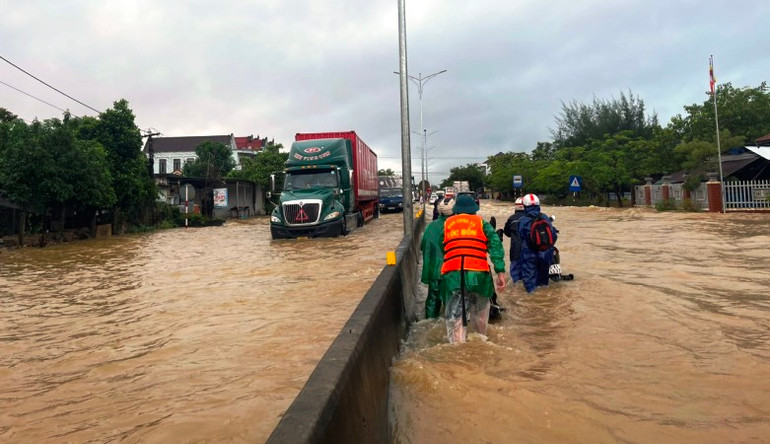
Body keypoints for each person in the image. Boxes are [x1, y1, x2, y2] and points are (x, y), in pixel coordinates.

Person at [439, 194, 506, 343]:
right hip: (478, 275)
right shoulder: (482, 224)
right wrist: (500, 273)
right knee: (480, 312)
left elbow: (442, 245)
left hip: (454, 275)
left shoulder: (447, 224)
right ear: (474, 210)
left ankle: (458, 345)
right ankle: (480, 340)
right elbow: (496, 247)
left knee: (455, 315)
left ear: (456, 210)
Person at [420, 196, 454, 319]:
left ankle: (429, 322)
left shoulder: (431, 226)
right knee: (452, 302)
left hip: (433, 271)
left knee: (433, 299)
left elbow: (423, 246)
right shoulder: (455, 226)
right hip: (450, 271)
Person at [517, 193, 557, 293]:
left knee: (529, 281)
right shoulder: (545, 217)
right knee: (544, 282)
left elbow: (521, 236)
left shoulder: (523, 220)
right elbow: (553, 236)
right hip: (546, 253)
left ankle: (532, 300)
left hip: (530, 253)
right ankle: (545, 298)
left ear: (525, 206)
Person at [503, 197, 526, 283]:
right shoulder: (533, 218)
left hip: (515, 252)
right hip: (530, 253)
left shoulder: (511, 218)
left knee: (515, 280)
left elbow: (507, 233)